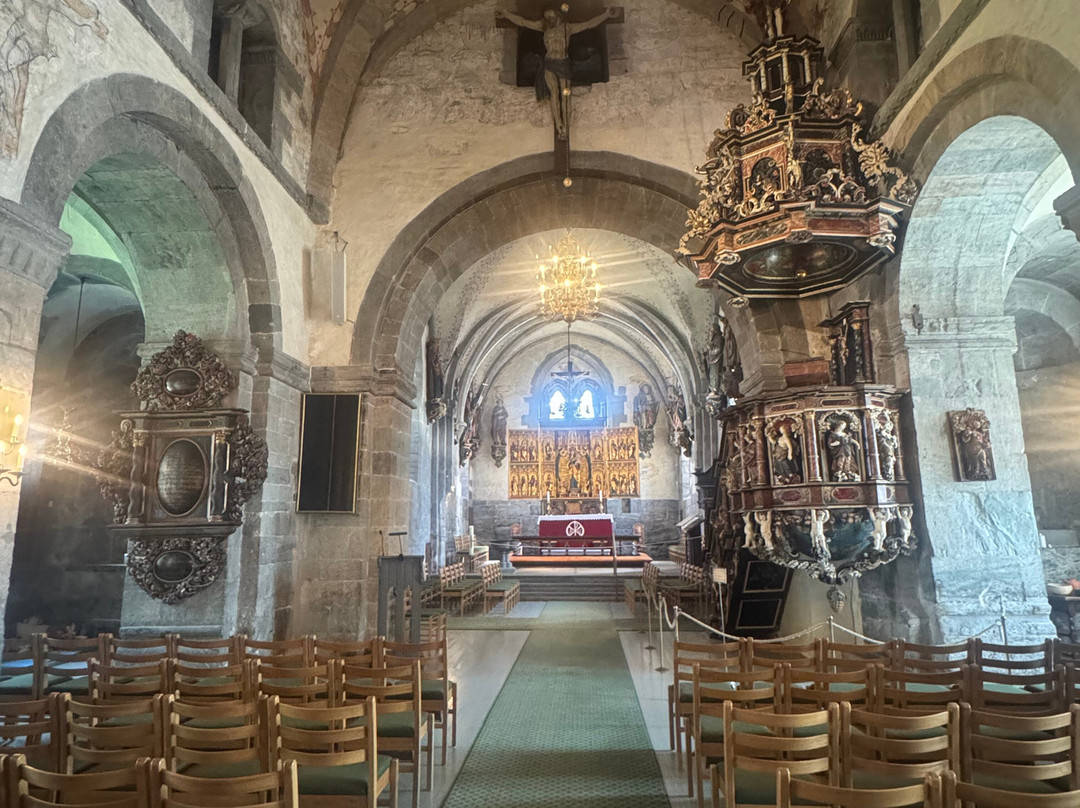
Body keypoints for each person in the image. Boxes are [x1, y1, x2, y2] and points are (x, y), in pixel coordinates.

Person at [494, 4, 619, 140]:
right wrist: (506, 14)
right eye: (546, 17)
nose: (549, 20)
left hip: (563, 63)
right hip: (549, 63)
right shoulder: (544, 27)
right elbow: (523, 22)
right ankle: (559, 125)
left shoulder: (567, 28)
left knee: (565, 95)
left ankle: (566, 125)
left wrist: (606, 15)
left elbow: (588, 24)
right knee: (554, 92)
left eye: (551, 16)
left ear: (558, 15)